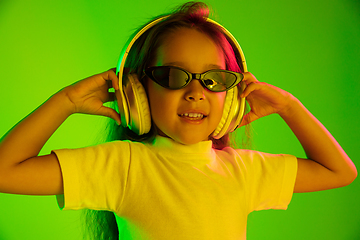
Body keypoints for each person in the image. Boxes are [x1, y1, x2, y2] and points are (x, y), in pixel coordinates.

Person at [0, 2, 357, 240]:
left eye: (214, 80)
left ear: (232, 96)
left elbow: (340, 171)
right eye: (173, 76)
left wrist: (290, 107)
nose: (196, 92)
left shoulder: (244, 171)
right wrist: (65, 101)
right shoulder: (120, 165)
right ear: (137, 90)